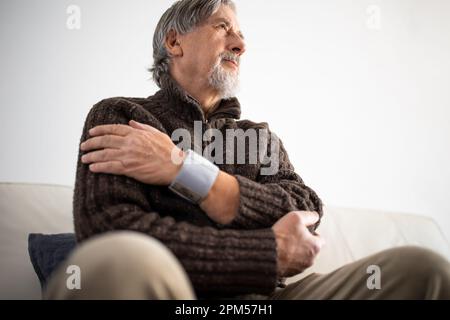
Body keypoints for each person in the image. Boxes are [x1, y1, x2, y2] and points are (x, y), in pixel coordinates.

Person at [45, 0, 450, 300]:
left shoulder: (260, 138)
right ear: (174, 41)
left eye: (241, 34)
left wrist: (185, 170)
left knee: (422, 270)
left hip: (264, 304)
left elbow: (305, 210)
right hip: (173, 296)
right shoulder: (120, 115)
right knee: (125, 258)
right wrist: (264, 254)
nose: (240, 44)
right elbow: (111, 232)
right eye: (224, 27)